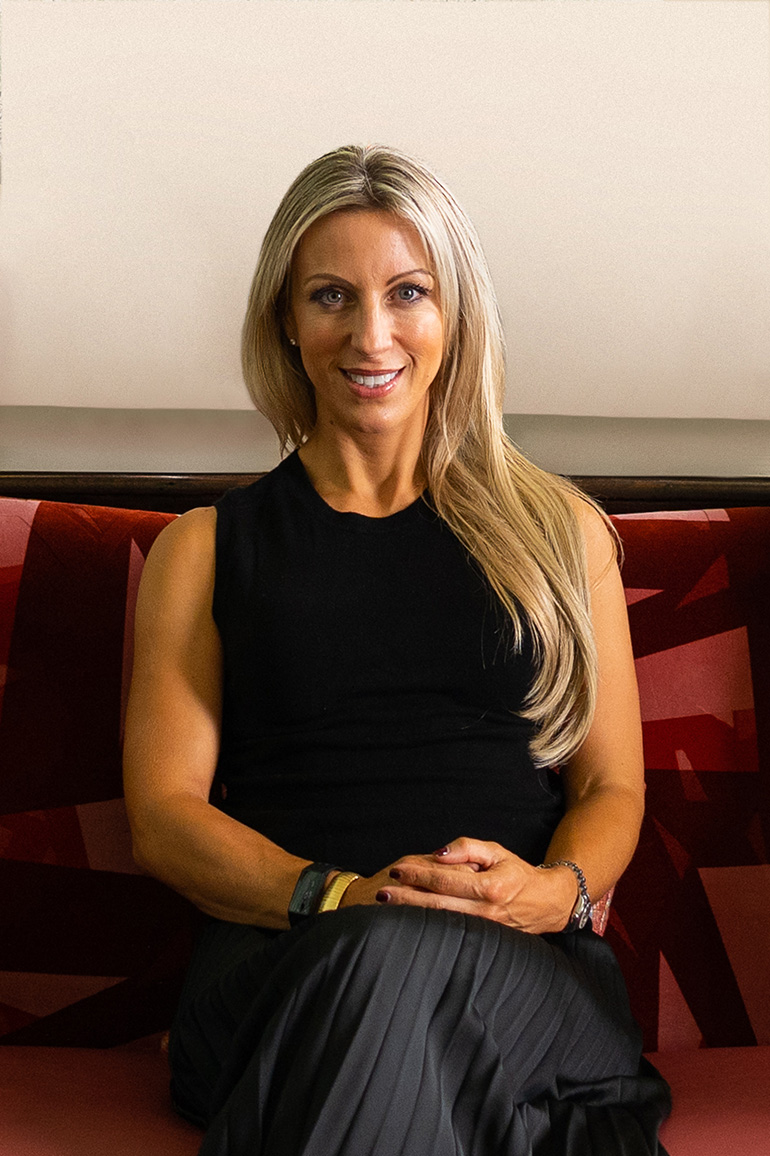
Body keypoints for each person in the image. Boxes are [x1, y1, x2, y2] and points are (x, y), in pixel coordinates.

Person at [123, 143, 671, 1155]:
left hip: (520, 972)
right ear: (284, 321)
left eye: (406, 292)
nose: (368, 334)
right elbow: (163, 817)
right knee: (380, 957)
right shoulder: (203, 550)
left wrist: (558, 892)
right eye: (329, 296)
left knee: (395, 981)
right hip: (283, 964)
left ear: (452, 313)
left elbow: (611, 791)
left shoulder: (561, 534)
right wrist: (334, 894)